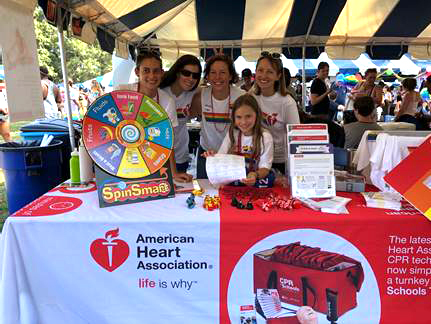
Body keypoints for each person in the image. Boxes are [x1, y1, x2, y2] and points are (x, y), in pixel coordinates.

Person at [115, 50, 192, 182]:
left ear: (162, 73)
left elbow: (168, 140)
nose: (152, 75)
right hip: (122, 157)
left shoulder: (167, 101)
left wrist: (174, 173)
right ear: (137, 72)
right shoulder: (121, 92)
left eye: (156, 71)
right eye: (146, 70)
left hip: (150, 158)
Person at [190, 54, 245, 179]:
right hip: (206, 155)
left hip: (233, 155)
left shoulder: (242, 97)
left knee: (232, 195)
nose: (218, 77)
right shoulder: (201, 96)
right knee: (205, 194)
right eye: (213, 72)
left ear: (231, 75)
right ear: (207, 76)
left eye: (223, 72)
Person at [203, 94, 273, 186]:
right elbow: (221, 157)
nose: (243, 122)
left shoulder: (265, 137)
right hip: (234, 183)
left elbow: (265, 168)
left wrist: (255, 175)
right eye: (239, 117)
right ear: (233, 118)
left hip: (255, 184)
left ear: (257, 115)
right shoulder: (232, 134)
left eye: (248, 116)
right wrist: (213, 156)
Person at [252, 51, 300, 174]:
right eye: (260, 70)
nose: (264, 75)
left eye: (270, 72)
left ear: (278, 76)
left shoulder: (287, 102)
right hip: (256, 159)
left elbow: (296, 137)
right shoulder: (251, 97)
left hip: (280, 162)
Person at [160, 54, 202, 173]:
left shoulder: (193, 93)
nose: (191, 78)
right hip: (159, 155)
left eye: (195, 75)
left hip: (181, 155)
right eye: (186, 73)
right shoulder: (161, 93)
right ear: (178, 72)